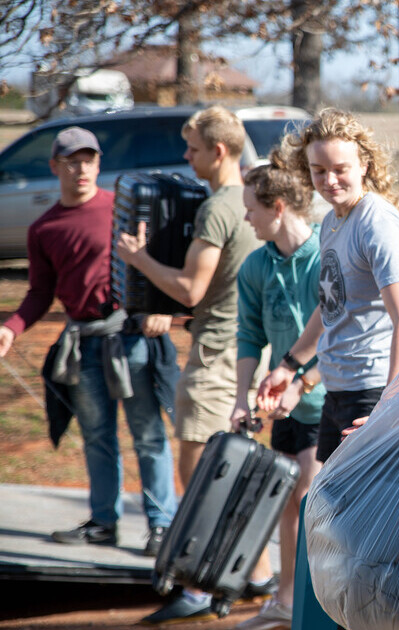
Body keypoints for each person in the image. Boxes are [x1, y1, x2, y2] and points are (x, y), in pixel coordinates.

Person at [117, 106, 270, 625]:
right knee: (243, 466)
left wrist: (137, 260)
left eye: (194, 149)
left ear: (219, 152)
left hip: (216, 357)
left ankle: (199, 590)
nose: (186, 158)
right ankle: (257, 573)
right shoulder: (250, 199)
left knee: (200, 471)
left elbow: (190, 288)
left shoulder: (217, 209)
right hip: (248, 350)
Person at [0, 126, 178, 557]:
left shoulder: (123, 209)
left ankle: (161, 527)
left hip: (132, 339)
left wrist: (163, 308)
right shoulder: (44, 228)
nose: (81, 168)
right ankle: (104, 523)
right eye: (71, 161)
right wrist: (12, 327)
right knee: (98, 437)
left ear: (99, 164)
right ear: (55, 167)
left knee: (149, 435)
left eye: (89, 160)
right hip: (83, 346)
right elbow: (40, 293)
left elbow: (162, 262)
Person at [256, 107, 399, 464]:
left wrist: (390, 403)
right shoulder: (332, 220)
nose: (329, 180)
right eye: (319, 171)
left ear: (363, 164)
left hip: (371, 391)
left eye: (340, 169)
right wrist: (287, 365)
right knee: (331, 510)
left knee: (361, 513)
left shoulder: (376, 223)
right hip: (337, 389)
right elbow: (330, 306)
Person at [231, 162, 326, 630]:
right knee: (290, 500)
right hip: (281, 401)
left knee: (309, 498)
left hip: (326, 401)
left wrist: (302, 382)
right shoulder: (256, 265)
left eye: (252, 209)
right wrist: (239, 397)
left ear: (279, 207)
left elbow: (345, 332)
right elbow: (248, 335)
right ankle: (287, 600)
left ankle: (316, 606)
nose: (246, 218)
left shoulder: (325, 255)